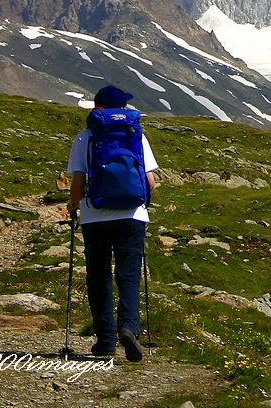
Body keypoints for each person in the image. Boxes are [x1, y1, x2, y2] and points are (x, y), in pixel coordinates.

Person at [67, 85, 158, 361]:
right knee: (129, 276)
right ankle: (129, 328)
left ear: (98, 108)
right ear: (122, 109)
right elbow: (151, 181)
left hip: (95, 216)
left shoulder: (85, 137)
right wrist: (144, 202)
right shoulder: (136, 135)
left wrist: (73, 205)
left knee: (98, 275)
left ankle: (105, 340)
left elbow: (78, 182)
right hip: (132, 215)